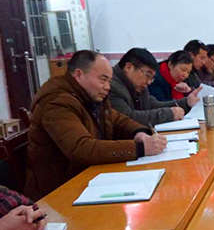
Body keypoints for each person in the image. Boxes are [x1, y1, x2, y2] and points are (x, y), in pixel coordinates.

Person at [24, 50, 167, 200]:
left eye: (109, 81)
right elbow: (82, 149)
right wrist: (140, 148)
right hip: (59, 191)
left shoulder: (89, 96)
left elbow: (118, 120)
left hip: (90, 179)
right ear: (78, 74)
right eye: (103, 80)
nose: (107, 87)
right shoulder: (56, 102)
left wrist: (139, 133)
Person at [110, 47, 201, 127]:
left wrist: (186, 102)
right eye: (147, 75)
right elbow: (128, 119)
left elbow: (153, 105)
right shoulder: (113, 86)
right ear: (129, 67)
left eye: (152, 78)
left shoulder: (138, 85)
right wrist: (168, 114)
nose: (149, 82)